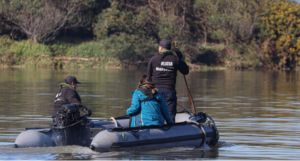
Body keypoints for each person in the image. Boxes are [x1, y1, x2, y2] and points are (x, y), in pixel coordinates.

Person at [147, 40, 189, 122]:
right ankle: (170, 131)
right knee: (170, 116)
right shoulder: (176, 59)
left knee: (155, 114)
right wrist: (180, 57)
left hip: (154, 91)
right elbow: (185, 71)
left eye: (159, 47)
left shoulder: (153, 59)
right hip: (169, 91)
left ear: (161, 48)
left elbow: (148, 77)